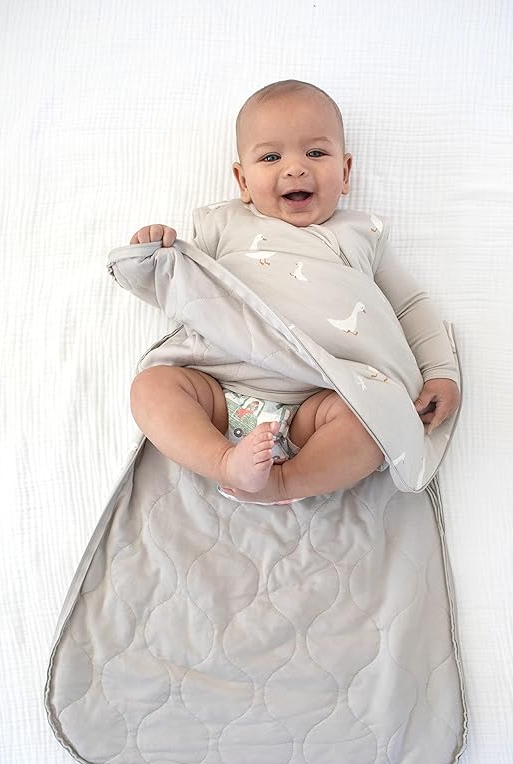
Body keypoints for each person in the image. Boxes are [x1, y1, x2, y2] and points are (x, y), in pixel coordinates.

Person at [127, 79, 460, 504]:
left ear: (345, 173)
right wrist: (152, 255)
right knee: (152, 387)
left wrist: (440, 371)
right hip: (219, 385)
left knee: (373, 424)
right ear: (242, 180)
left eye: (316, 153)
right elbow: (182, 285)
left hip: (318, 399)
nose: (295, 169)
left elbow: (410, 305)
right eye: (271, 157)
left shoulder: (362, 234)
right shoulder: (222, 224)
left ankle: (285, 482)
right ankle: (224, 461)